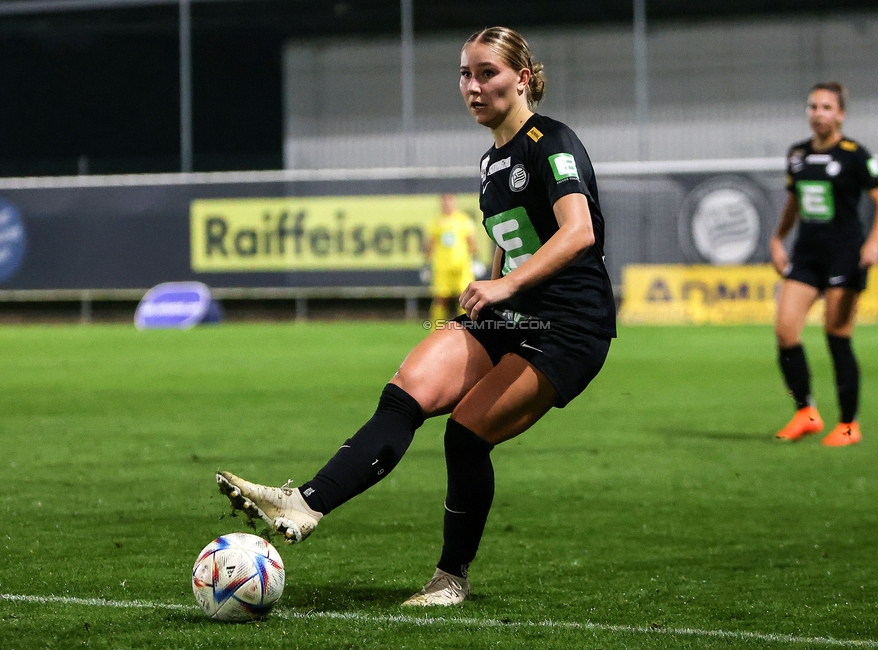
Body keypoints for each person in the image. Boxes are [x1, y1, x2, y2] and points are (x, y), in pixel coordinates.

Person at [214, 26, 616, 606]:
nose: (472, 86)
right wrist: (489, 285)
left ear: (522, 78)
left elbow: (579, 234)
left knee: (467, 434)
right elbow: (511, 238)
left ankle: (451, 579)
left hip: (570, 326)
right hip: (509, 313)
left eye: (487, 73)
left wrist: (504, 284)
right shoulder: (491, 160)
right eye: (464, 74)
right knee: (407, 392)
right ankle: (303, 503)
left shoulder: (548, 141)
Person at [770, 82, 878, 446]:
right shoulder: (797, 155)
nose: (818, 113)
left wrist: (872, 244)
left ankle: (849, 425)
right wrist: (778, 238)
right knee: (785, 331)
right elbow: (794, 203)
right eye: (813, 106)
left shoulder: (855, 155)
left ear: (840, 114)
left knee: (837, 336)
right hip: (807, 254)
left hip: (846, 254)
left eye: (826, 107)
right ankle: (805, 411)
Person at [424, 193, 478, 323]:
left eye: (450, 202)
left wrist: (476, 260)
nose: (447, 205)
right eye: (445, 202)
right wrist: (425, 265)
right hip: (442, 267)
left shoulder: (463, 220)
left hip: (461, 266)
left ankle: (467, 326)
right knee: (441, 298)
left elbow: (471, 242)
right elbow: (430, 244)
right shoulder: (436, 222)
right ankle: (437, 328)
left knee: (464, 297)